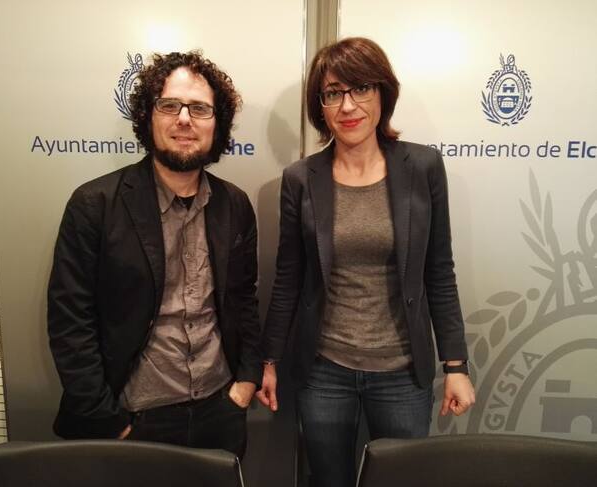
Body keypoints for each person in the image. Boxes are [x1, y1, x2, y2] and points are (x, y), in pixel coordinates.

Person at [256, 37, 475, 486]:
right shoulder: (301, 179)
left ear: (383, 93)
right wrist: (269, 359)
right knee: (328, 480)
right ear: (320, 106)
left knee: (401, 480)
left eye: (361, 88)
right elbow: (288, 278)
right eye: (333, 93)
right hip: (323, 370)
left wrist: (455, 366)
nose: (347, 106)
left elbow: (439, 271)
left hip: (402, 371)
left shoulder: (423, 166)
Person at [48, 51, 261, 459]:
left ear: (217, 124)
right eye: (169, 105)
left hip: (221, 410)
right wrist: (108, 420)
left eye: (199, 108)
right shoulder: (94, 204)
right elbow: (70, 322)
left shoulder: (234, 205)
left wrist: (246, 382)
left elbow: (244, 301)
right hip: (133, 419)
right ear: (148, 116)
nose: (184, 119)